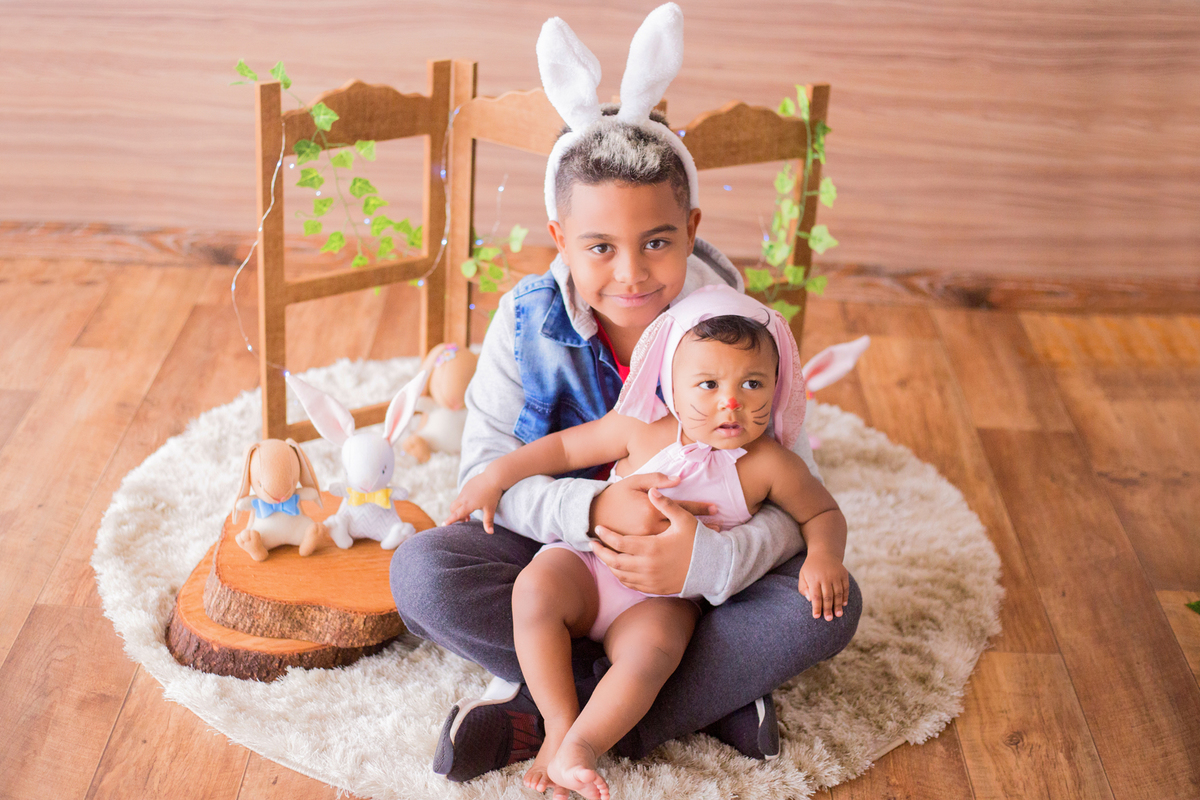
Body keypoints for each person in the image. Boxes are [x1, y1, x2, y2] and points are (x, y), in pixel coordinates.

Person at [390, 2, 861, 784]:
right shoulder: (525, 323)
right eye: (599, 248)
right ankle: (701, 703)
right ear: (559, 239)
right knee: (422, 572)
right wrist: (591, 512)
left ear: (692, 225)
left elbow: (796, 500)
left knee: (828, 607)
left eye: (657, 243)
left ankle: (549, 719)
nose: (632, 274)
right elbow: (487, 482)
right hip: (561, 559)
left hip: (691, 594)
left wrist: (705, 561)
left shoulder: (743, 331)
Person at [443, 286, 851, 800]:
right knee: (532, 590)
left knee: (657, 650)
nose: (731, 402)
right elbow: (567, 446)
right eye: (708, 384)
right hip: (589, 567)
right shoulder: (644, 428)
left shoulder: (770, 463)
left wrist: (824, 556)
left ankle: (583, 746)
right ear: (671, 385)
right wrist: (497, 475)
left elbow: (822, 512)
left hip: (665, 599)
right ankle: (560, 718)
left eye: (753, 384)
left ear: (778, 386)